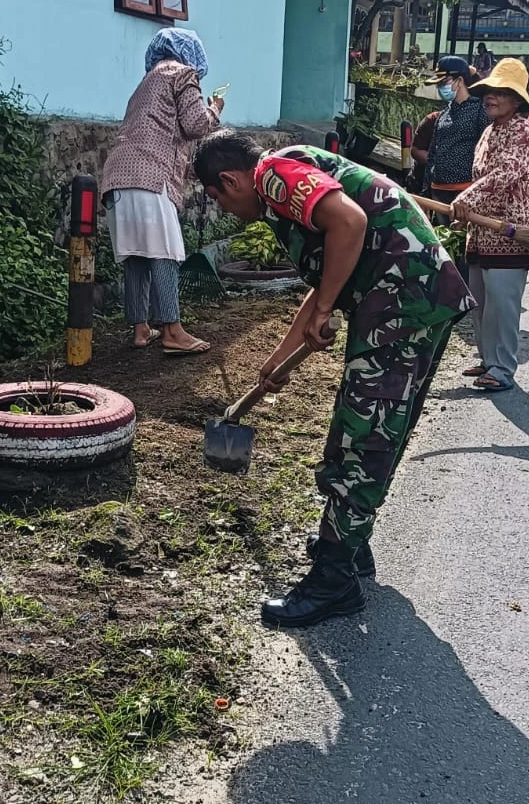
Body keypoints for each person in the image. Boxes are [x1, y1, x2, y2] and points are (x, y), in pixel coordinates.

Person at [194, 131, 475, 629]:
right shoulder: (288, 183)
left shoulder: (272, 175)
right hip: (412, 296)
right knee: (378, 423)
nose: (223, 208)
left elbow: (351, 221)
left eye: (218, 198)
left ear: (229, 179)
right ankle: (350, 546)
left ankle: (333, 579)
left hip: (399, 300)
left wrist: (326, 308)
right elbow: (330, 276)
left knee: (364, 430)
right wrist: (277, 359)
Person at [103, 29, 223, 355]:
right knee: (165, 252)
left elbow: (162, 131)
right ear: (190, 54)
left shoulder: (145, 84)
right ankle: (172, 331)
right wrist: (214, 108)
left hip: (117, 176)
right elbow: (196, 124)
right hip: (149, 176)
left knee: (137, 257)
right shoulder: (182, 73)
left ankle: (141, 328)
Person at [451, 58, 529, 394]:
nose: (491, 97)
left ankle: (502, 368)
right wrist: (466, 214)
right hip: (481, 233)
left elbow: (504, 175)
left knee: (502, 305)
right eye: (489, 90)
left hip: (509, 233)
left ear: (516, 100)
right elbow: (482, 177)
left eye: (501, 92)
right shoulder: (489, 132)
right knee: (481, 302)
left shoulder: (521, 130)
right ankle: (488, 360)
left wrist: (466, 201)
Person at [423, 56, 488, 213]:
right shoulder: (444, 114)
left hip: (465, 192)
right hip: (438, 190)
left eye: (443, 82)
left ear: (459, 80)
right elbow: (433, 153)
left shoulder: (480, 110)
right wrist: (426, 191)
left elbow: (487, 152)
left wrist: (477, 193)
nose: (440, 88)